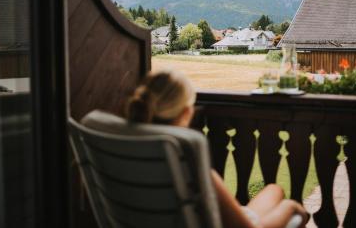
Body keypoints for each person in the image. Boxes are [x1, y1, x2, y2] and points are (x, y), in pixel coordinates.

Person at [126, 70, 310, 228]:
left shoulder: (125, 154)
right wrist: (292, 207)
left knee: (274, 189)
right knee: (290, 207)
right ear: (186, 113)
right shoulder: (190, 166)